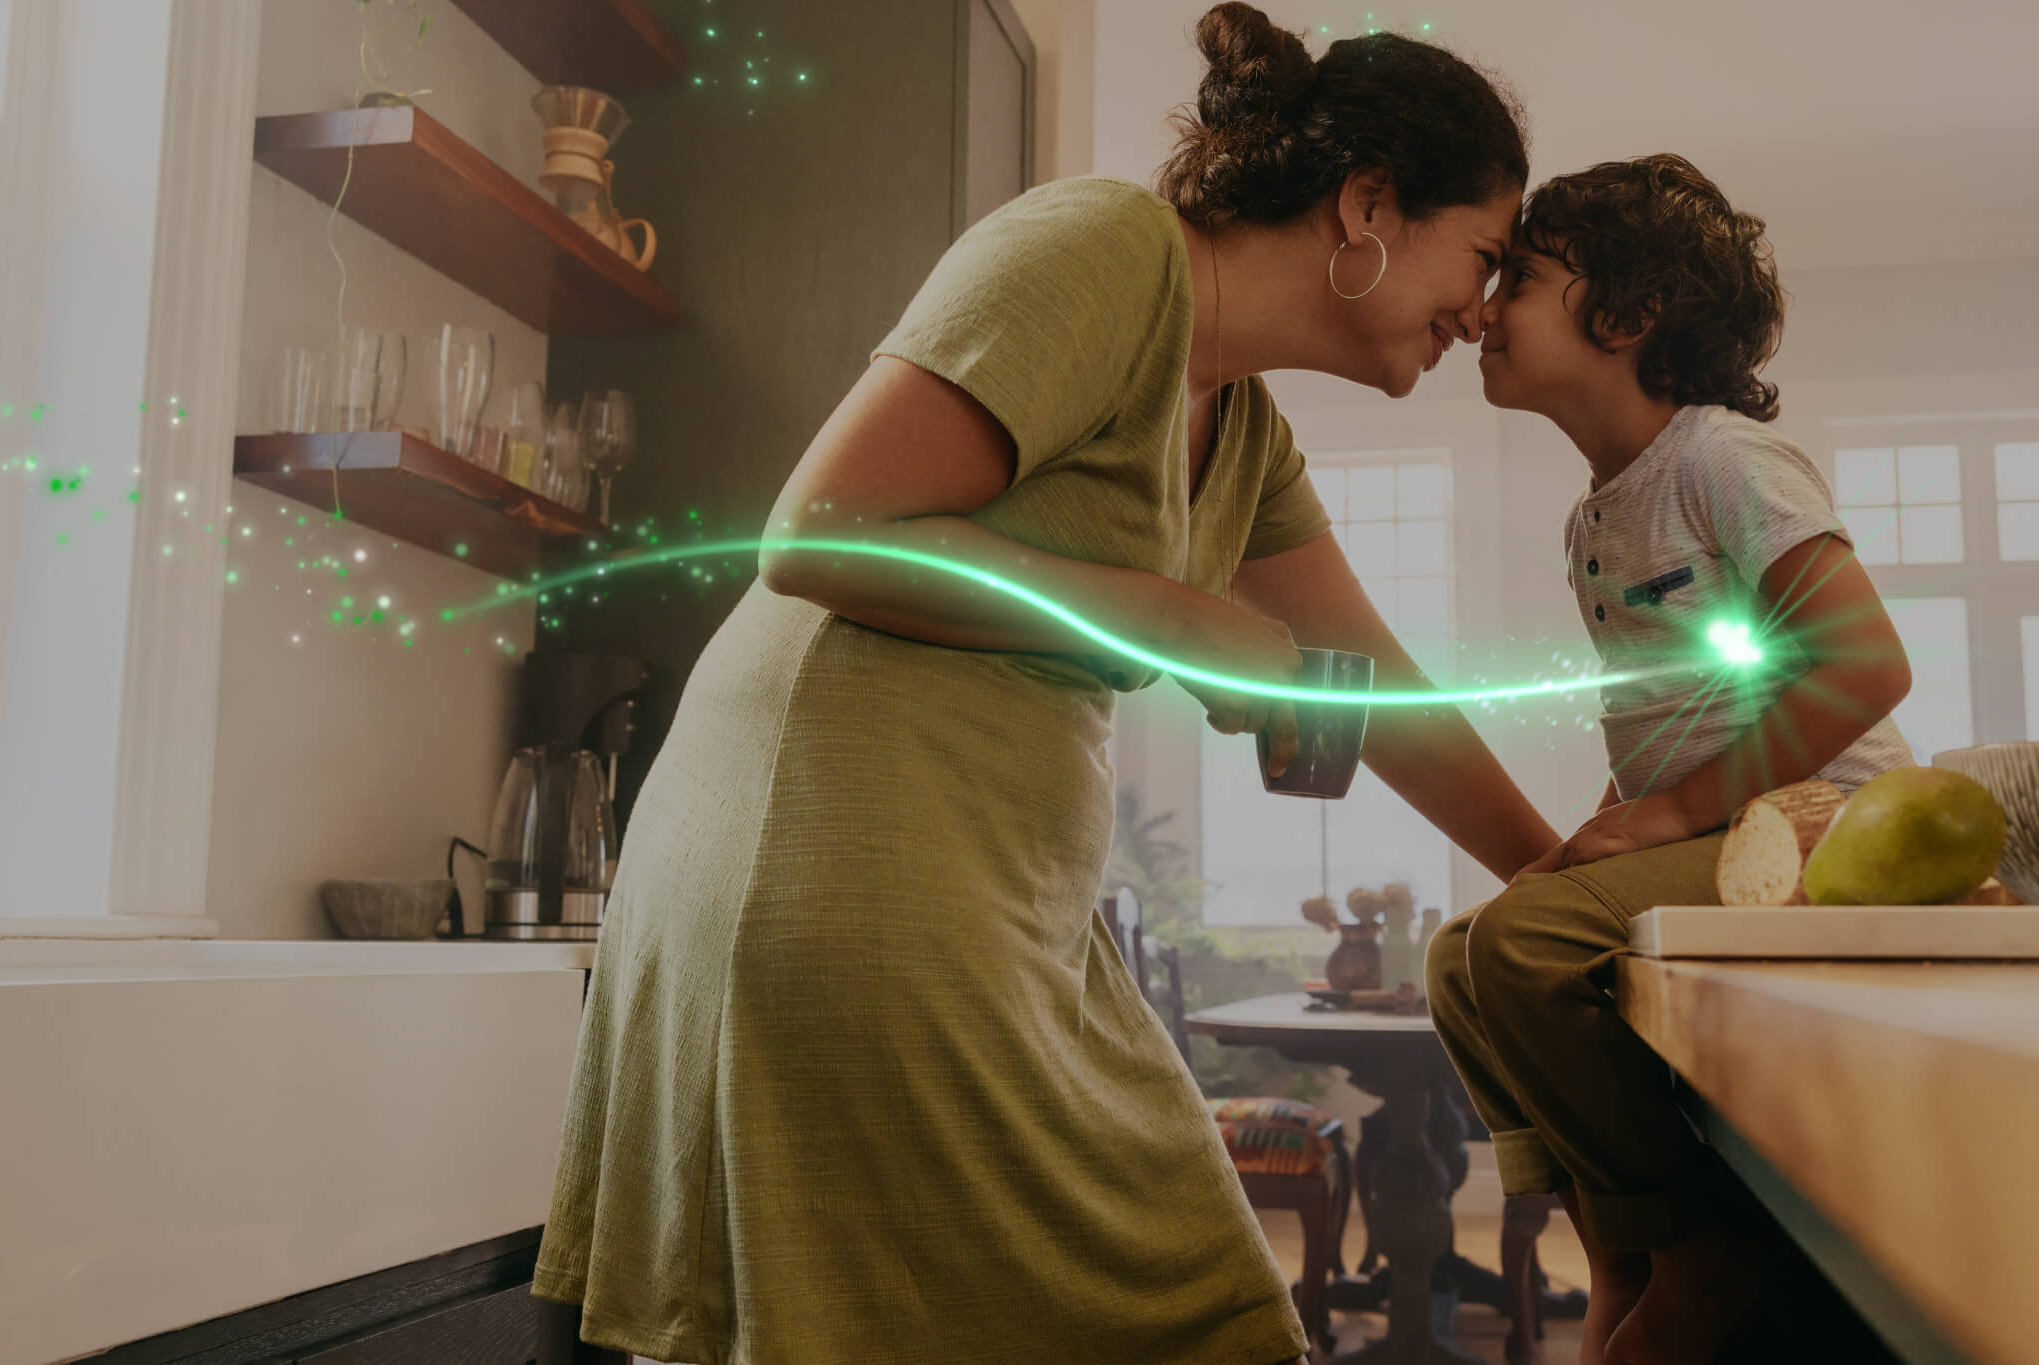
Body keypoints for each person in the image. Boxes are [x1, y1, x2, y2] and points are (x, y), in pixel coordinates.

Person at [532, 7, 1559, 1361]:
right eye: (1482, 256)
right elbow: (818, 538)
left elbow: (1381, 692)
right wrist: (1178, 619)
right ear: (1368, 204)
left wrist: (1562, 873)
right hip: (833, 859)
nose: (1482, 312)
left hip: (1002, 904)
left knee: (1197, 1305)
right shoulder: (1101, 251)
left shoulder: (1243, 428)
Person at [1427, 154, 1915, 1365]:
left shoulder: (1719, 462)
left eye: (1521, 281)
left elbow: (1861, 666)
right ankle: (1619, 1253)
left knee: (1525, 945)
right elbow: (1669, 712)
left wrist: (1667, 816)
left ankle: (1702, 1252)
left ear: (1630, 317)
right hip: (1709, 821)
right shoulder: (1593, 515)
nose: (1483, 309)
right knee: (1461, 953)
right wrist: (1596, 832)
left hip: (1816, 826)